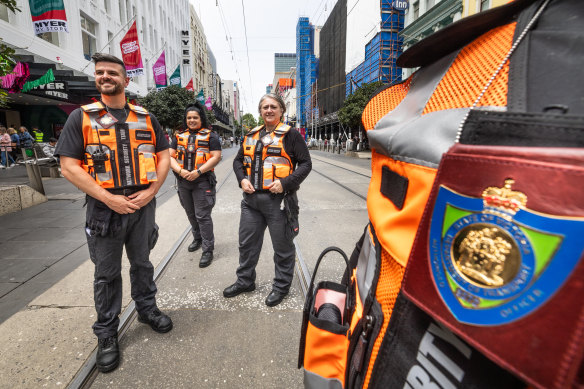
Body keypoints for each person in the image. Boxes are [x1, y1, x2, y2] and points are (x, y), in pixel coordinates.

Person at [55, 52, 172, 373]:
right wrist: (109, 199)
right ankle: (107, 333)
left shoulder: (146, 117)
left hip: (142, 206)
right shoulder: (81, 117)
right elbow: (68, 166)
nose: (105, 76)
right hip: (103, 209)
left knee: (143, 263)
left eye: (112, 72)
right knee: (106, 274)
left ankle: (147, 310)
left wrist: (151, 192)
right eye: (100, 73)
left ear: (125, 79)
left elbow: (164, 156)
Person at [224, 93, 312, 307]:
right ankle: (245, 281)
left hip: (279, 202)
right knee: (247, 245)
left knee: (282, 247)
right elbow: (238, 162)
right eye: (265, 107)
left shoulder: (291, 135)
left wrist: (286, 183)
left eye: (273, 106)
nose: (269, 110)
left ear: (281, 110)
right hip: (251, 202)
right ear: (260, 111)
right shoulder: (251, 135)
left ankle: (281, 287)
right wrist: (242, 179)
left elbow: (305, 163)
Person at [169, 102, 221, 267]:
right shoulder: (178, 136)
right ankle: (197, 238)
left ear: (201, 119)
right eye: (189, 117)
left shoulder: (211, 136)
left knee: (202, 215)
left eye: (195, 117)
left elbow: (216, 157)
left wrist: (198, 172)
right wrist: (180, 171)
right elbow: (169, 157)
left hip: (202, 181)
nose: (191, 120)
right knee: (190, 213)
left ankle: (207, 249)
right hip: (183, 181)